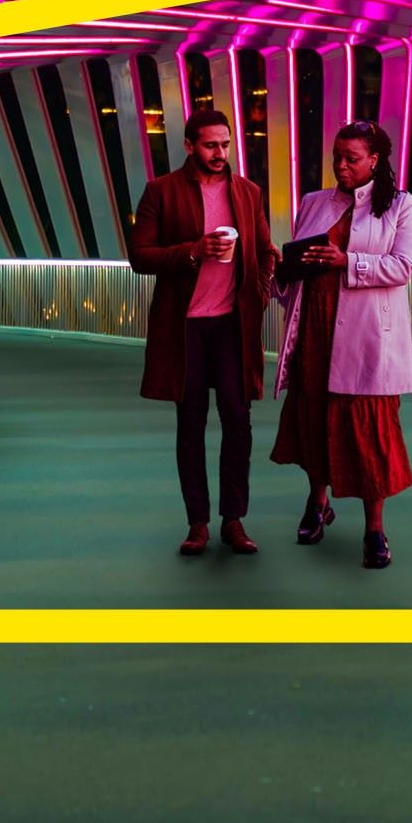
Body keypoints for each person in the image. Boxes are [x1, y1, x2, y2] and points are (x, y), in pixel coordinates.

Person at [122, 104, 275, 556]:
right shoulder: (161, 191)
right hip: (185, 328)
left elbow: (266, 251)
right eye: (210, 145)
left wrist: (261, 292)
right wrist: (194, 250)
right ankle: (197, 524)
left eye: (225, 144)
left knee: (238, 421)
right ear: (189, 146)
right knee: (190, 424)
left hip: (232, 326)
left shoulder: (247, 193)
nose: (219, 152)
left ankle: (234, 520)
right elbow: (140, 256)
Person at [271, 121, 412, 568]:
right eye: (336, 156)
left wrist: (345, 262)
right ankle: (317, 503)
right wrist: (284, 268)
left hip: (367, 338)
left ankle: (375, 528)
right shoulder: (314, 202)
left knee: (370, 433)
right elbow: (299, 267)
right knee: (315, 419)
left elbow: (403, 267)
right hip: (315, 329)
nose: (341, 166)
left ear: (375, 160)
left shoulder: (399, 205)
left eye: (351, 158)